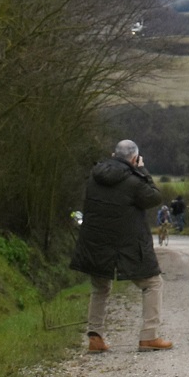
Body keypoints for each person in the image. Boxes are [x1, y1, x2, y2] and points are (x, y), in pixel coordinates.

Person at [72, 139, 170, 352]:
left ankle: (95, 338)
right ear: (134, 158)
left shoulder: (94, 177)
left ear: (113, 154)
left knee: (100, 287)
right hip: (127, 245)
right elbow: (154, 197)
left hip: (95, 242)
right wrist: (142, 170)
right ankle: (149, 336)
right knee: (152, 284)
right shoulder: (134, 181)